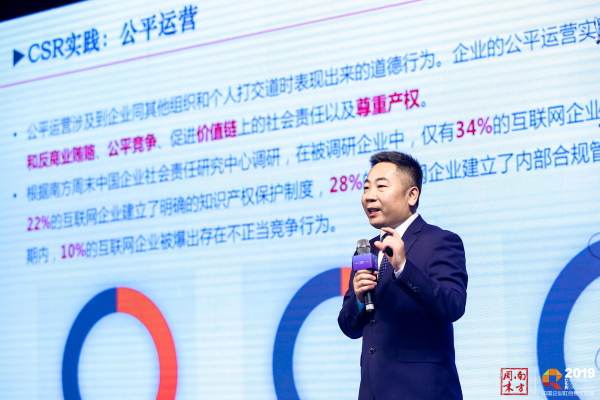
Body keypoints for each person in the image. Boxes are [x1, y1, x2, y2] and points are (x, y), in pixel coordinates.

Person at [338, 151, 468, 400]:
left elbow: (453, 305)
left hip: (423, 392)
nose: (369, 196)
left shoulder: (441, 241)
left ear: (412, 195)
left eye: (381, 186)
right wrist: (358, 299)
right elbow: (349, 327)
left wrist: (404, 268)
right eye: (366, 187)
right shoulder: (366, 250)